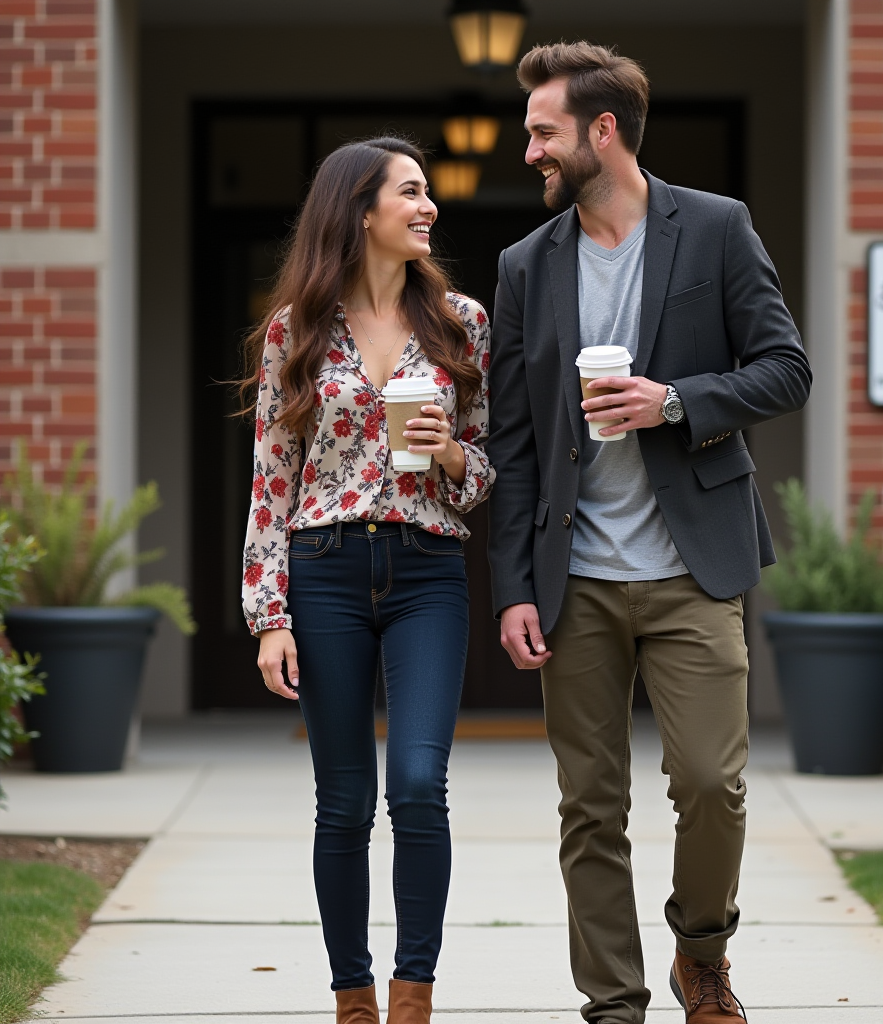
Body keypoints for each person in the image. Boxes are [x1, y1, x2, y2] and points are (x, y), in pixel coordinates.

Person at [487, 43, 812, 1024]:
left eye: (542, 131)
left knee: (711, 783)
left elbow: (785, 368)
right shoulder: (524, 266)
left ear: (601, 131)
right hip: (573, 576)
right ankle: (613, 1004)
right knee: (590, 807)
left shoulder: (714, 229)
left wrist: (674, 400)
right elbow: (512, 443)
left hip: (692, 565)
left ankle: (699, 955)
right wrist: (510, 585)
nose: (528, 150)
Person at [241, 137, 495, 1024]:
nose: (428, 208)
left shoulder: (461, 322)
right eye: (411, 193)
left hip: (428, 566)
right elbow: (273, 477)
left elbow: (486, 472)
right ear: (360, 211)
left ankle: (412, 994)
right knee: (344, 801)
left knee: (419, 785)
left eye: (429, 194)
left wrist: (452, 451)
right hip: (324, 571)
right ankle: (354, 1000)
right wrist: (269, 614)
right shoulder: (296, 330)